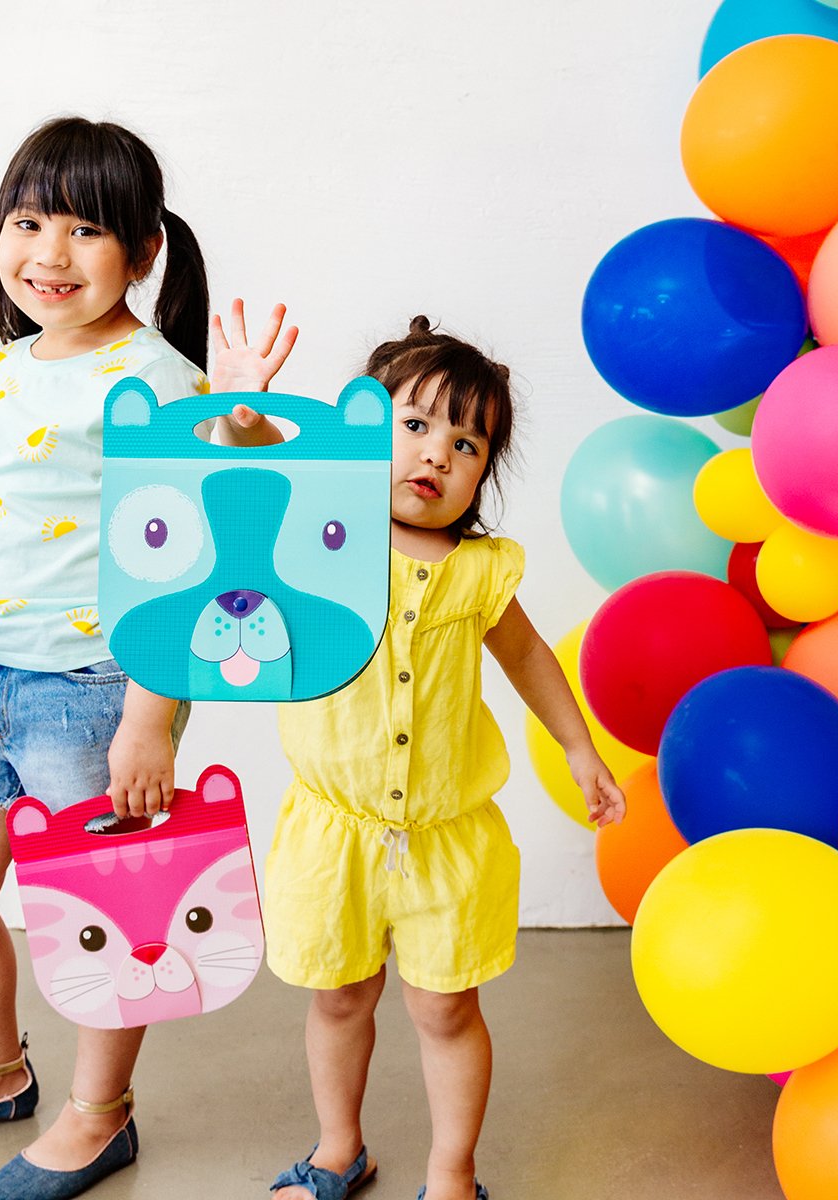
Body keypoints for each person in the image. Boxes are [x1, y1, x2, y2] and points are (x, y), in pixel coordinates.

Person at [0, 115, 226, 1200]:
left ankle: (99, 1116)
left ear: (145, 250)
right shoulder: (4, 369)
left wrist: (150, 719)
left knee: (109, 923)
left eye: (83, 229)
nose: (48, 254)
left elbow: (191, 570)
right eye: (27, 222)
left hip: (97, 692)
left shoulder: (162, 387)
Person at [213, 305, 627, 1200]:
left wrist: (579, 745)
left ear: (484, 474)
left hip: (446, 839)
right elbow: (242, 484)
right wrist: (243, 412)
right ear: (365, 431)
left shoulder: (479, 573)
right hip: (334, 837)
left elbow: (526, 657)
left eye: (468, 444)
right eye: (413, 426)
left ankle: (452, 1172)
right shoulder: (321, 537)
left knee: (446, 1008)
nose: (437, 455)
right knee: (340, 998)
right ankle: (337, 1149)